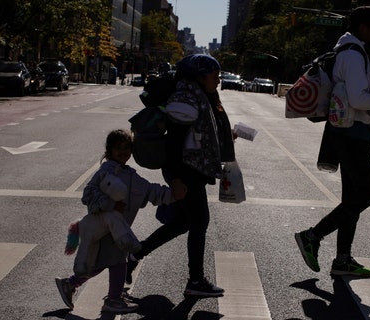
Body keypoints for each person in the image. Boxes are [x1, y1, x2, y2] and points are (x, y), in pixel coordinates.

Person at [130, 54, 236, 297]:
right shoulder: (185, 99)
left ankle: (134, 255)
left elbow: (194, 133)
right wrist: (176, 178)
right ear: (199, 77)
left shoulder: (194, 95)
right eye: (214, 76)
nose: (218, 81)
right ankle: (195, 281)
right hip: (186, 171)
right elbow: (175, 142)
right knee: (200, 222)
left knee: (184, 222)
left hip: (190, 169)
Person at [295, 6, 370, 278]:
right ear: (363, 28)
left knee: (352, 198)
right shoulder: (354, 54)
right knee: (365, 195)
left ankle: (342, 259)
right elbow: (359, 98)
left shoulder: (349, 50)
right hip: (352, 133)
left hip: (347, 131)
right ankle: (312, 236)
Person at [55, 129, 185, 314]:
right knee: (114, 263)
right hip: (106, 229)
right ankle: (111, 298)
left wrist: (172, 195)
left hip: (118, 230)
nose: (124, 152)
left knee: (108, 262)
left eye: (127, 148)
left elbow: (149, 190)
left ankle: (73, 284)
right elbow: (88, 194)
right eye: (119, 148)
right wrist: (109, 204)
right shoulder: (106, 172)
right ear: (109, 151)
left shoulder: (130, 174)